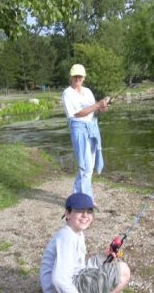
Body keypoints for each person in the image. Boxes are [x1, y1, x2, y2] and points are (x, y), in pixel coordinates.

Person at [40, 193, 131, 293]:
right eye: (79, 210)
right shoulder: (67, 237)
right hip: (58, 289)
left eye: (89, 211)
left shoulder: (77, 233)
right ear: (67, 214)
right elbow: (59, 280)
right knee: (123, 271)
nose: (85, 215)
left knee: (115, 268)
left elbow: (80, 268)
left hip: (74, 280)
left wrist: (102, 257)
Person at [62, 64, 109, 203]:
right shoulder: (67, 93)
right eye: (75, 76)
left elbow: (94, 109)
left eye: (80, 76)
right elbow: (78, 113)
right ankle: (87, 199)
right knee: (86, 166)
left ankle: (76, 195)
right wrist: (96, 105)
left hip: (92, 127)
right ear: (71, 77)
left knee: (89, 165)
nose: (78, 79)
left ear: (83, 78)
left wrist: (103, 107)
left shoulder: (88, 91)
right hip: (78, 128)